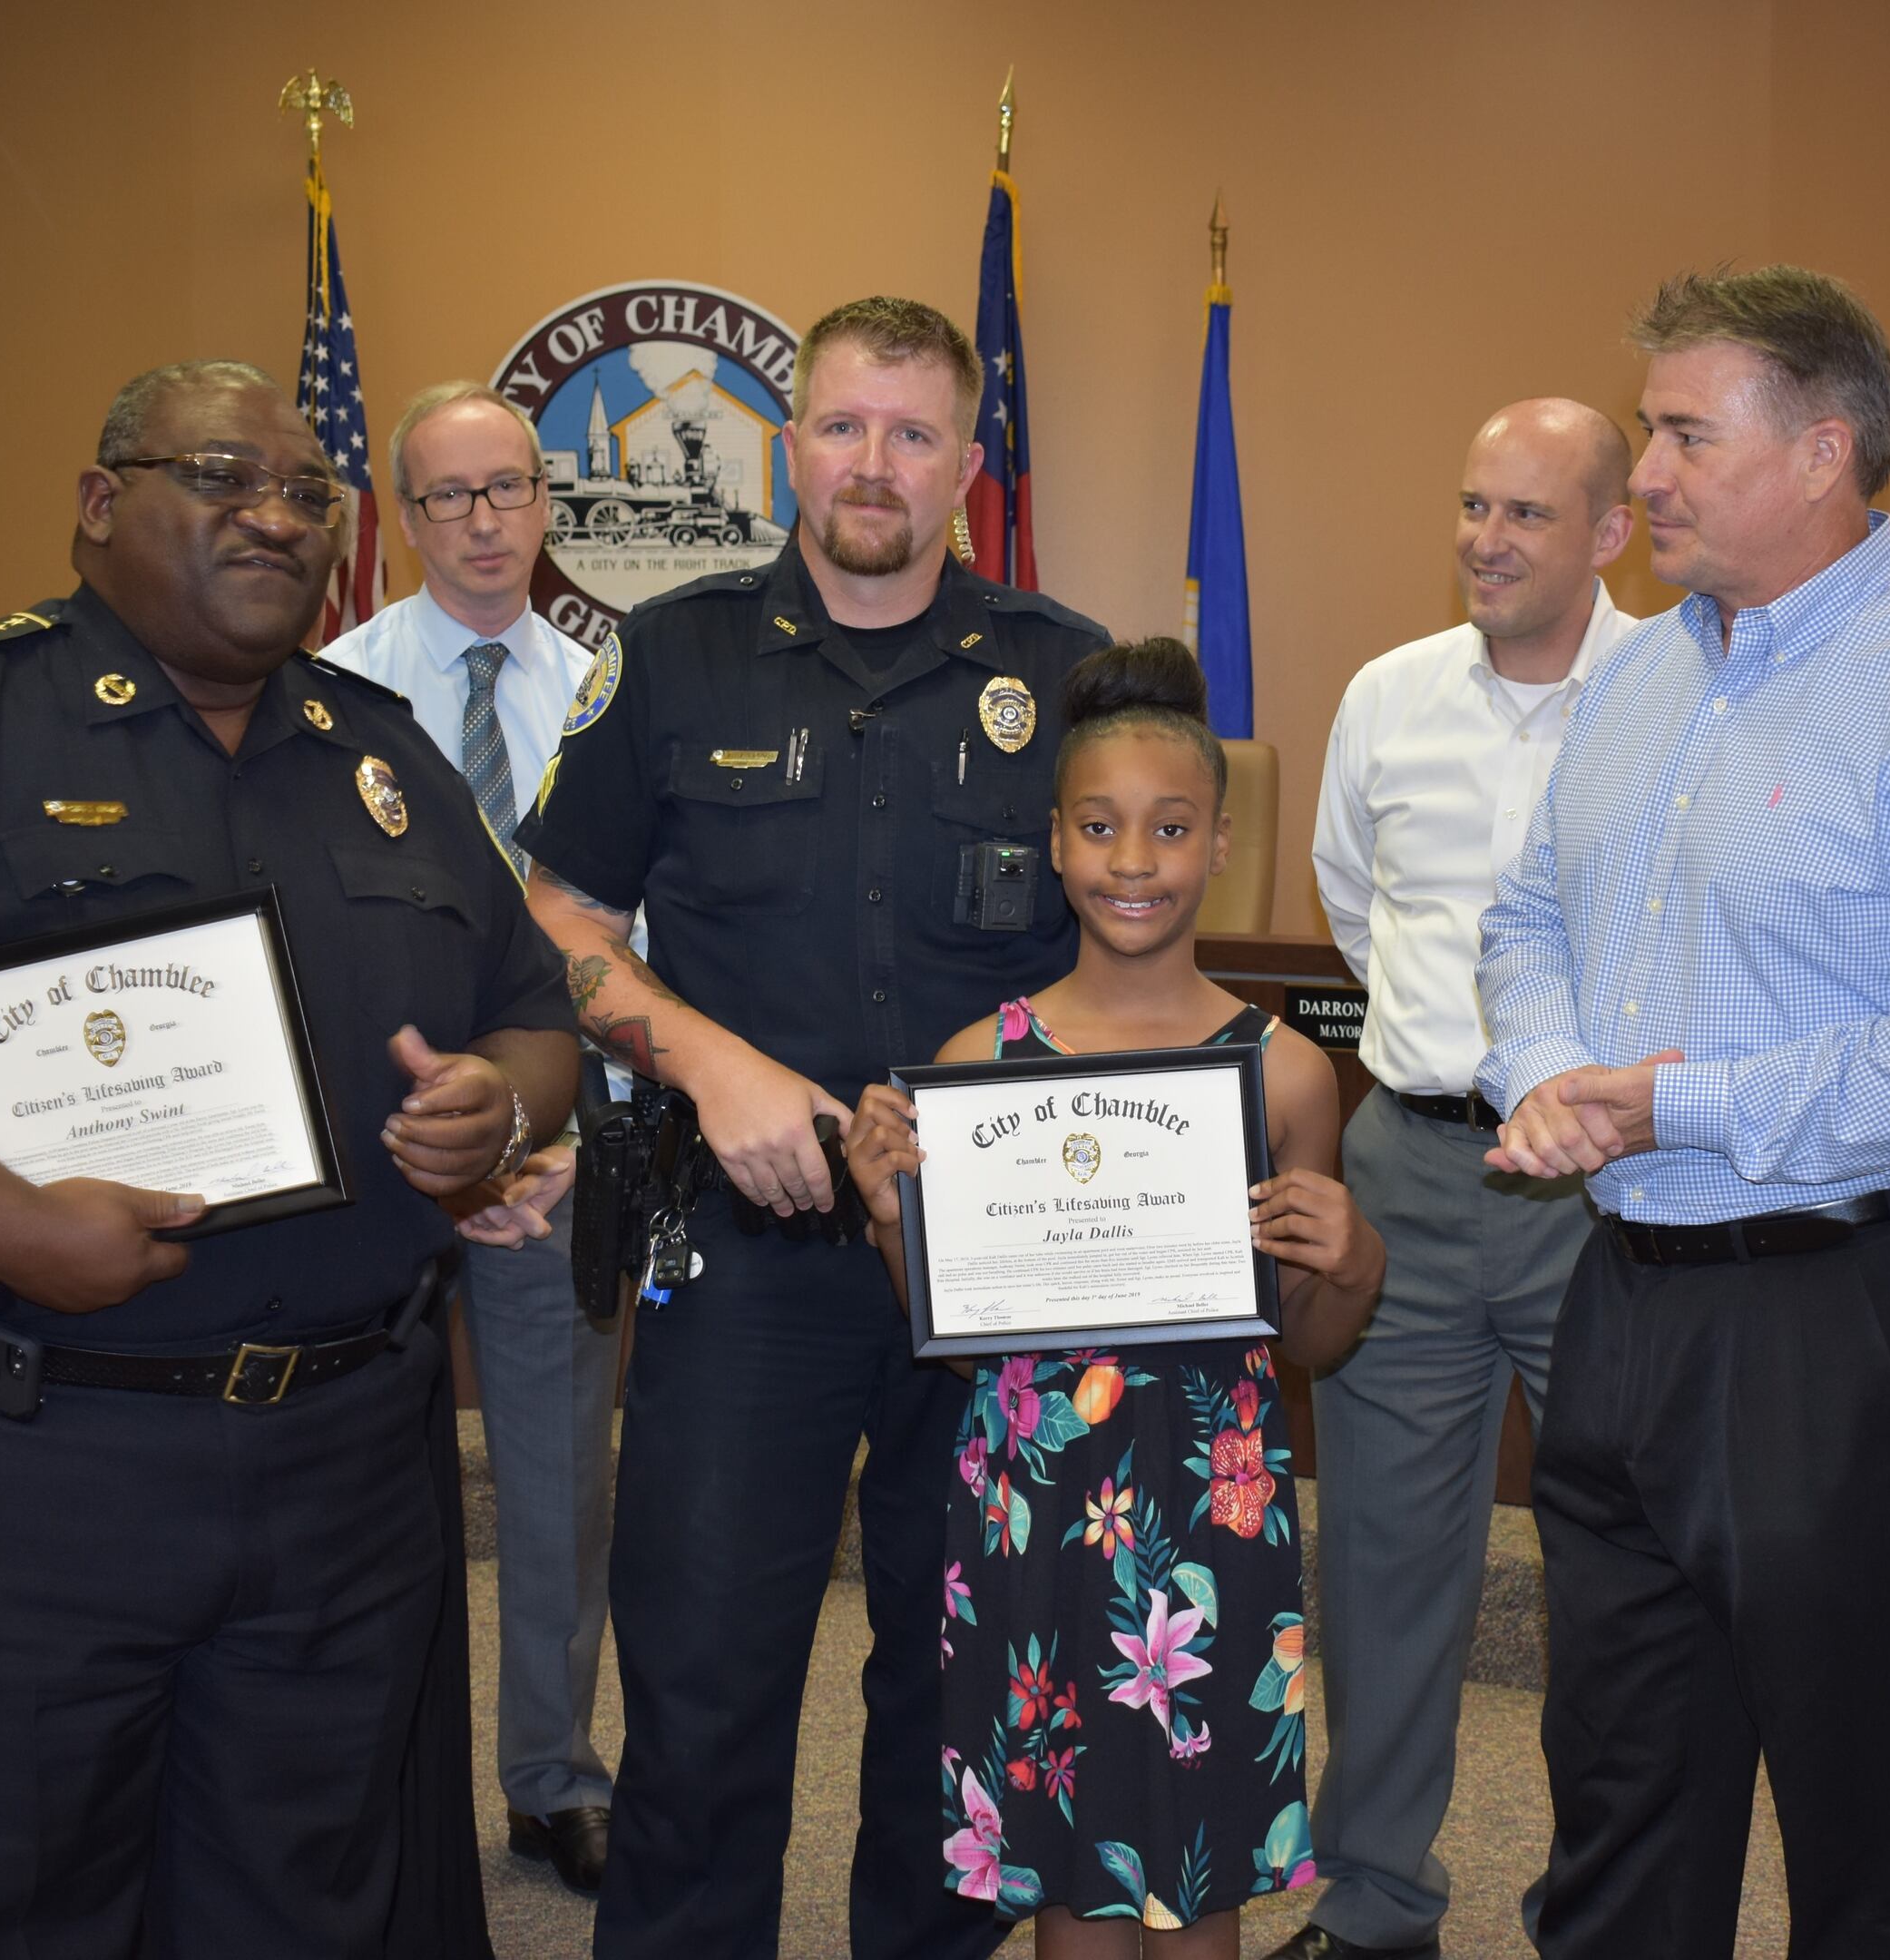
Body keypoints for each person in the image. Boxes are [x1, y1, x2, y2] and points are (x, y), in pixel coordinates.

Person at [0, 358, 581, 1955]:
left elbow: (531, 1008)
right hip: (23, 1453)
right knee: (19, 1897)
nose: (275, 516)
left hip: (340, 1465)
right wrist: (8, 1225)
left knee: (309, 1898)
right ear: (102, 504)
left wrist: (500, 1109)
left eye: (307, 492)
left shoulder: (383, 758)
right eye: (222, 475)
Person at [1475, 266, 1890, 1957]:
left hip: (1840, 1309)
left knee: (1863, 1817)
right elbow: (1524, 920)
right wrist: (1545, 1074)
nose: (1646, 475)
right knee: (1617, 1787)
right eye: (1649, 431)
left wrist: (1676, 1105)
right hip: (1621, 1298)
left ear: (1824, 450)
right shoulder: (1637, 682)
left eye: (1687, 435)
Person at [508, 295, 1111, 1960]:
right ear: (790, 446)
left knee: (961, 1679)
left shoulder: (1067, 671)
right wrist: (712, 1066)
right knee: (701, 1677)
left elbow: (1135, 941)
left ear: (967, 466)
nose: (873, 464)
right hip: (737, 1243)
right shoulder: (672, 654)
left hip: (990, 1260)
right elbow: (557, 919)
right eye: (842, 426)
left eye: (914, 434)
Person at [840, 638, 1389, 1958]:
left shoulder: (1285, 1075)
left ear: (1220, 844)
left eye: (1170, 828)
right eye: (1098, 827)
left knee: (1199, 1871)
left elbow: (1310, 1344)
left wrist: (1354, 1260)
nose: (1133, 861)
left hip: (1213, 1506)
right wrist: (891, 1221)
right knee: (1066, 1867)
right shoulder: (980, 1065)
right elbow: (956, 1338)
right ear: (1053, 841)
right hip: (1035, 1503)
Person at [1276, 400, 1634, 1960]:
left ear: (1611, 533)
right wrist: (1447, 1062)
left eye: (1527, 514)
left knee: (1619, 1566)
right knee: (1380, 1562)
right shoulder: (1389, 696)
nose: (1486, 541)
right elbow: (1356, 909)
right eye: (1474, 506)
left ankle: (1603, 1903)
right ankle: (1374, 1903)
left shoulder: (1675, 698)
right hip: (1408, 1172)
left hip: (1603, 1194)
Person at [320, 378, 624, 1897]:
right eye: (450, 495)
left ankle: (552, 1777)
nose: (486, 520)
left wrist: (560, 1121)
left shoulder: (608, 695)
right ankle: (361, 1775)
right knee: (345, 1486)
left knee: (560, 1485)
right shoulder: (330, 692)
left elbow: (640, 940)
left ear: (546, 500)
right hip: (369, 1154)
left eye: (509, 487)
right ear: (404, 517)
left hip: (554, 1151)